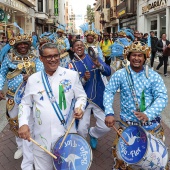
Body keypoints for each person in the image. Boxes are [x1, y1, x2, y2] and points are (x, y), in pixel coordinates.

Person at [18, 42, 87, 170]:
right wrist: (23, 123)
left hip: (66, 135)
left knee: (66, 166)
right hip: (41, 138)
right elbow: (25, 103)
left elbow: (81, 96)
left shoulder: (71, 75)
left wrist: (80, 107)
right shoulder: (33, 79)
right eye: (49, 57)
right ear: (41, 58)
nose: (53, 59)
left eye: (56, 55)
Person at [103, 41, 168, 169]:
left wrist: (148, 114)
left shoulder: (153, 76)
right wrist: (109, 112)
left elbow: (162, 97)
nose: (136, 58)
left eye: (140, 55)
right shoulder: (120, 74)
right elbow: (109, 92)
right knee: (123, 161)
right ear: (128, 56)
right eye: (133, 55)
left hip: (151, 127)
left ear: (145, 57)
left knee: (155, 161)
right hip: (127, 127)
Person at [0, 30, 44, 169]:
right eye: (20, 44)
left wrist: (32, 75)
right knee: (14, 121)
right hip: (13, 96)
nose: (23, 46)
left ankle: (32, 148)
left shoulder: (35, 56)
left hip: (32, 96)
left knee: (32, 121)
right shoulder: (9, 57)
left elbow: (42, 72)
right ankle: (20, 145)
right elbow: (2, 73)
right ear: (15, 46)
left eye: (25, 43)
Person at [68, 40, 111, 149]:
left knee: (106, 127)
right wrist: (83, 79)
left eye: (81, 45)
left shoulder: (93, 58)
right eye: (76, 45)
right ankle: (84, 149)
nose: (79, 47)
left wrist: (99, 65)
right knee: (81, 130)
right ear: (72, 49)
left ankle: (93, 134)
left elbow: (108, 71)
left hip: (98, 98)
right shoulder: (71, 65)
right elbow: (70, 86)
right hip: (83, 101)